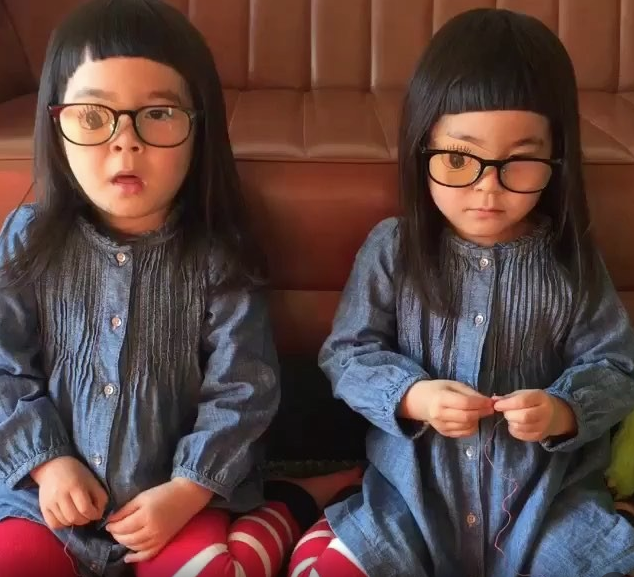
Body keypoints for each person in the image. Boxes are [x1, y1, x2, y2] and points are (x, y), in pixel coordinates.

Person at [0, 1, 358, 576]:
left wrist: (188, 489)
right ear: (55, 123)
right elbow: (3, 364)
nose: (125, 142)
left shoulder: (218, 255)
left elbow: (244, 387)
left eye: (159, 113)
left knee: (215, 570)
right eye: (92, 115)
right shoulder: (25, 238)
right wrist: (47, 462)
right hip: (44, 499)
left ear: (199, 128)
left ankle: (289, 503)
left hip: (177, 496)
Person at [288, 8, 634, 577]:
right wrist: (412, 396)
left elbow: (616, 365)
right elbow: (346, 354)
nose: (487, 189)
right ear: (422, 149)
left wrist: (563, 410)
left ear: (557, 157)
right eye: (457, 159)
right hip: (412, 495)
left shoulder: (569, 259)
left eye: (520, 162)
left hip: (545, 499)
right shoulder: (394, 249)